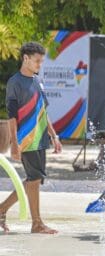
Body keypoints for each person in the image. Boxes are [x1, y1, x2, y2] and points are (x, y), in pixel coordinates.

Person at [0, 42, 62, 234]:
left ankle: (2, 209)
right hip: (26, 139)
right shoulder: (15, 82)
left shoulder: (37, 81)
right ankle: (36, 223)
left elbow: (43, 111)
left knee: (33, 180)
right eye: (37, 61)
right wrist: (15, 144)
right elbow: (12, 116)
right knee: (34, 180)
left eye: (41, 62)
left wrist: (54, 135)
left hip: (41, 138)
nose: (39, 65)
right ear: (25, 59)